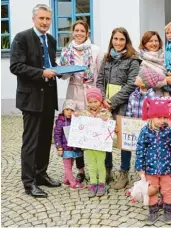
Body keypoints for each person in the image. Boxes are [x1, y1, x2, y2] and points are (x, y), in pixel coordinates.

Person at [9, 4, 61, 198]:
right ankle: (29, 182)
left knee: (45, 139)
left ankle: (41, 174)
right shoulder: (22, 38)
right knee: (30, 141)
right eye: (41, 18)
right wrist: (42, 73)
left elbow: (50, 64)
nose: (45, 22)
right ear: (34, 19)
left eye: (48, 19)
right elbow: (16, 66)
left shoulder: (52, 40)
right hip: (31, 97)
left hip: (49, 96)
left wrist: (61, 71)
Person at [59, 20, 104, 184]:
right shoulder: (66, 51)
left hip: (90, 93)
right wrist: (62, 70)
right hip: (73, 92)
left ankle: (99, 167)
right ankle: (81, 170)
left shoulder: (95, 50)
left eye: (82, 31)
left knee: (93, 129)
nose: (79, 33)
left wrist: (100, 96)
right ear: (72, 32)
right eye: (76, 30)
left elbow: (100, 74)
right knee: (75, 133)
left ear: (87, 32)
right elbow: (63, 76)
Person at [96, 27, 140, 190]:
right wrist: (102, 98)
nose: (118, 42)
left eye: (122, 39)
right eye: (115, 39)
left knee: (123, 140)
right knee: (106, 136)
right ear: (111, 40)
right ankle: (107, 169)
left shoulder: (133, 60)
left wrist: (113, 101)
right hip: (105, 103)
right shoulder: (107, 59)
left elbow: (130, 85)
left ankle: (124, 172)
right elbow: (100, 80)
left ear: (126, 41)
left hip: (123, 104)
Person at [136, 98, 171, 225]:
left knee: (167, 191)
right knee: (152, 190)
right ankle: (153, 212)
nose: (162, 120)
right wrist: (140, 167)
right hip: (150, 168)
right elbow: (140, 149)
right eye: (159, 117)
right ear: (151, 116)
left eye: (164, 117)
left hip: (167, 168)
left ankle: (167, 212)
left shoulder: (170, 131)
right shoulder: (145, 131)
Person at [77, 88, 113, 197]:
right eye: (90, 102)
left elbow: (110, 126)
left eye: (95, 101)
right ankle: (93, 183)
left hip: (100, 145)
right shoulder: (84, 113)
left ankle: (101, 183)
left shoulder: (106, 112)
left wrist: (107, 120)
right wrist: (77, 117)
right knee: (91, 165)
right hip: (88, 145)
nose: (93, 104)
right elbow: (80, 125)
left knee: (100, 164)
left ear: (100, 101)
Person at [54, 99, 85, 190]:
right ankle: (73, 183)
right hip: (65, 148)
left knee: (71, 164)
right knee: (67, 166)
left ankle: (66, 180)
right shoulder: (60, 122)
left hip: (73, 147)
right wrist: (59, 147)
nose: (69, 112)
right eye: (67, 109)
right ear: (63, 110)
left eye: (72, 110)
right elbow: (57, 135)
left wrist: (78, 117)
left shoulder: (75, 120)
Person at [139, 31, 167, 95]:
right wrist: (166, 81)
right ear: (144, 43)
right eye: (150, 41)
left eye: (156, 41)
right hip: (150, 98)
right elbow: (144, 82)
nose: (154, 43)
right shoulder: (141, 60)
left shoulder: (163, 57)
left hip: (166, 97)